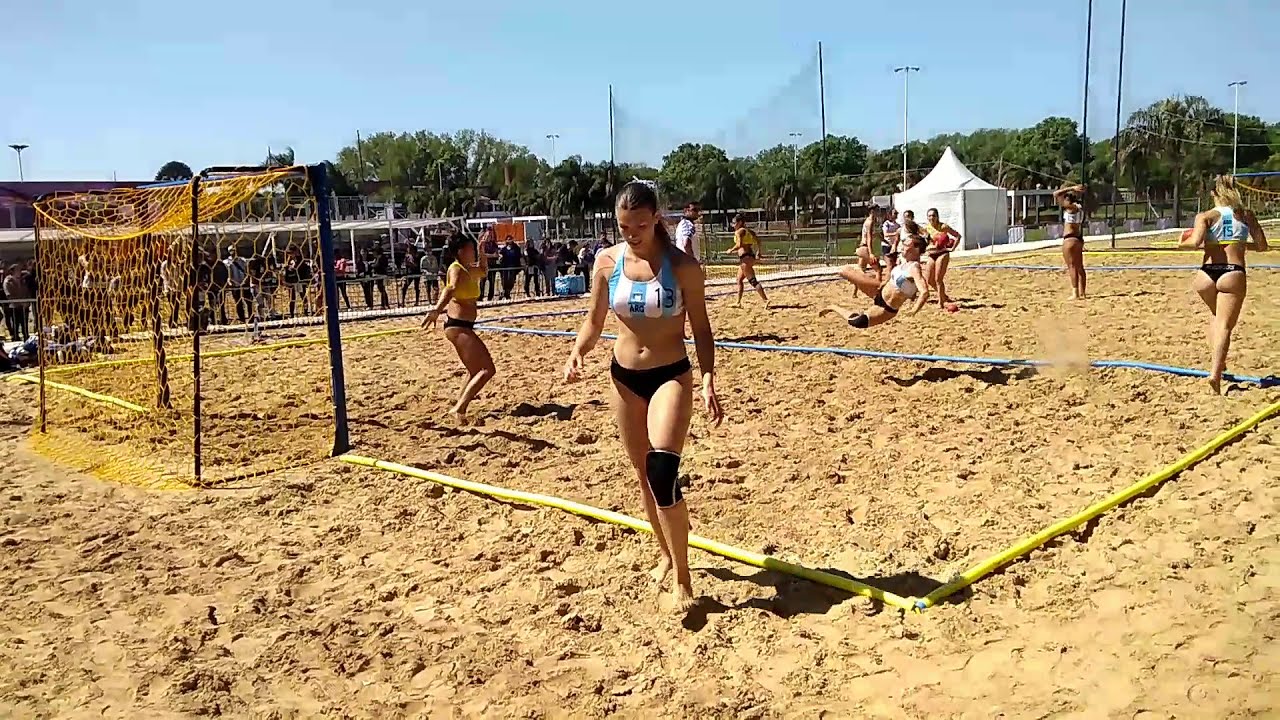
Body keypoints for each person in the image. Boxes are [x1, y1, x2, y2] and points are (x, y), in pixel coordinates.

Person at [564, 182, 722, 613]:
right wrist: (578, 351)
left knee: (662, 469)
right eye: (623, 226)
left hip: (671, 374)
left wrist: (708, 378)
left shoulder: (682, 266)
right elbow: (594, 321)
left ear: (655, 218)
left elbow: (702, 330)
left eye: (638, 224)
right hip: (623, 378)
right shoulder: (607, 261)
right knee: (642, 474)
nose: (631, 233)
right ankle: (666, 555)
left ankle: (684, 580)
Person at [1181, 174, 1269, 395]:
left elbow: (1194, 243)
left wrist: (1180, 242)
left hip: (1206, 274)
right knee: (1223, 326)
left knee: (1217, 320)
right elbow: (1262, 246)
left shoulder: (1207, 216)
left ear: (1213, 194)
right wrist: (1239, 245)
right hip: (1232, 272)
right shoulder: (1246, 215)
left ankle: (1220, 363)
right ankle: (1215, 375)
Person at [423, 235, 496, 424]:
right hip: (458, 325)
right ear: (460, 251)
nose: (473, 252)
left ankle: (458, 409)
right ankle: (459, 408)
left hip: (462, 325)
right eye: (471, 249)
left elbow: (483, 270)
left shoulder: (467, 269)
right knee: (487, 369)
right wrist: (436, 310)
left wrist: (481, 250)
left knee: (475, 371)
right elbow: (450, 288)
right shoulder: (456, 268)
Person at [820, 233, 930, 329]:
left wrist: (914, 310)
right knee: (845, 271)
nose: (902, 247)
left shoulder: (915, 268)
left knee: (857, 322)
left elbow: (924, 292)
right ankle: (865, 263)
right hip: (879, 292)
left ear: (916, 249)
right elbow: (894, 279)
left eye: (906, 245)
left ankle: (832, 307)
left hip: (886, 308)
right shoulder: (905, 262)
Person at [1053, 183, 1088, 300]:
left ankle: (1075, 293)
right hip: (1078, 239)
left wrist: (1071, 188)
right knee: (1079, 267)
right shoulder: (1079, 208)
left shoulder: (1071, 208)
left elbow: (1056, 194)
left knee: (1072, 266)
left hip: (1070, 239)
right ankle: (1083, 292)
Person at [729, 214, 770, 308]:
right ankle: (738, 302)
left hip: (745, 258)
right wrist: (759, 252)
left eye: (734, 223)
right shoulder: (749, 231)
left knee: (753, 281)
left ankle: (766, 300)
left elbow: (739, 245)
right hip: (749, 256)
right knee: (739, 279)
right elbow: (758, 241)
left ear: (739, 223)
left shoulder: (739, 232)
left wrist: (731, 250)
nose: (733, 225)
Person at [923, 208, 961, 309]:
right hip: (931, 254)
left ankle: (940, 302)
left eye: (933, 215)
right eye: (930, 216)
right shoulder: (926, 228)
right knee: (929, 280)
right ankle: (943, 296)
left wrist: (952, 248)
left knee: (938, 279)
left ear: (937, 216)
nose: (932, 218)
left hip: (942, 253)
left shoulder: (943, 227)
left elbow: (958, 236)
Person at [855, 206, 884, 291]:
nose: (879, 212)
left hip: (862, 247)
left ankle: (855, 292)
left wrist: (882, 238)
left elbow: (871, 235)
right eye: (877, 210)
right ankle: (878, 290)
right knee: (878, 270)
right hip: (865, 248)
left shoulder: (868, 221)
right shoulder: (870, 222)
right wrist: (871, 253)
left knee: (861, 271)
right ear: (872, 211)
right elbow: (869, 238)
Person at [675, 203, 702, 268]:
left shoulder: (682, 224)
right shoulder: (688, 225)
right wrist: (693, 262)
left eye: (699, 210)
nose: (697, 212)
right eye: (694, 210)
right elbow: (686, 244)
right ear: (686, 210)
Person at [882, 208, 902, 275]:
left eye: (897, 213)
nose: (896, 215)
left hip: (894, 246)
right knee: (889, 264)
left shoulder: (898, 225)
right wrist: (896, 233)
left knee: (893, 265)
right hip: (886, 245)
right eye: (895, 213)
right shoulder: (886, 223)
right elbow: (885, 234)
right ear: (890, 214)